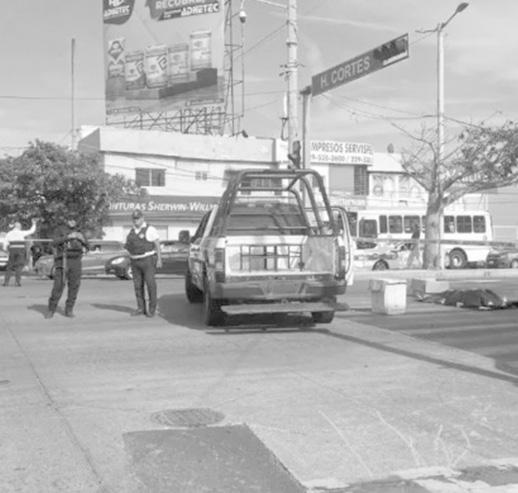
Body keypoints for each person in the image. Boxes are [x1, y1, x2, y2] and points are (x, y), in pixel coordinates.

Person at [45, 218, 89, 319]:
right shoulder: (60, 229)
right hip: (63, 260)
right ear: (67, 220)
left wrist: (82, 239)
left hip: (76, 260)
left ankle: (69, 309)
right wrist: (67, 237)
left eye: (74, 220)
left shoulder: (79, 231)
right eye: (70, 219)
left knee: (74, 286)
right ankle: (51, 309)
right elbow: (53, 243)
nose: (72, 222)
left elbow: (88, 246)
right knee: (58, 286)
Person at [124, 209, 162, 317]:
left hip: (147, 259)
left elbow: (157, 244)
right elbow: (128, 246)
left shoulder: (150, 229)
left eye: (137, 218)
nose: (135, 220)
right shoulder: (131, 231)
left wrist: (159, 259)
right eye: (134, 219)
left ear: (142, 218)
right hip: (134, 260)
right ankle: (141, 308)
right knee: (137, 286)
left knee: (150, 284)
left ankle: (152, 309)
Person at [3, 218, 37, 287]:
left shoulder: (9, 233)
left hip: (12, 250)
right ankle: (17, 282)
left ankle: (6, 282)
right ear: (18, 227)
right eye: (20, 226)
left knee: (9, 267)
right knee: (18, 266)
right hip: (20, 250)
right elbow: (31, 231)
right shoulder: (21, 233)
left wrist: (6, 250)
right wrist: (34, 224)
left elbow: (5, 243)